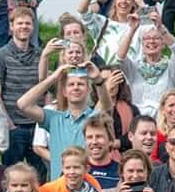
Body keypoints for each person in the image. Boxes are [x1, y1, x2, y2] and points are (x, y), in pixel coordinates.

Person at [17, 37, 111, 180]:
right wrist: (54, 77)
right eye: (71, 84)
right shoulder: (54, 118)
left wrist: (98, 80)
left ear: (88, 90)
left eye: (80, 84)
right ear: (64, 92)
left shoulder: (94, 118)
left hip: (88, 187)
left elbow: (107, 106)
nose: (76, 87)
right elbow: (23, 104)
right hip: (58, 189)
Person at [0, 7, 42, 172]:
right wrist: (9, 123)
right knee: (11, 174)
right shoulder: (1, 56)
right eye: (19, 23)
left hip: (37, 126)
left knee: (41, 174)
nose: (24, 27)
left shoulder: (40, 55)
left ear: (33, 27)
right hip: (14, 126)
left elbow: (46, 89)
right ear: (11, 26)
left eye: (28, 23)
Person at [117, 13, 175, 117]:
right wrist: (132, 30)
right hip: (138, 121)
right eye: (147, 38)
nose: (151, 41)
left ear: (163, 44)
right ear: (142, 45)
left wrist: (161, 29)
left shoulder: (170, 67)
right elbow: (120, 58)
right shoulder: (134, 67)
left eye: (156, 38)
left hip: (163, 120)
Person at [84, 114, 119, 189]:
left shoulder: (121, 171)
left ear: (110, 140)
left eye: (99, 136)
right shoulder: (74, 170)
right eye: (90, 137)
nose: (94, 142)